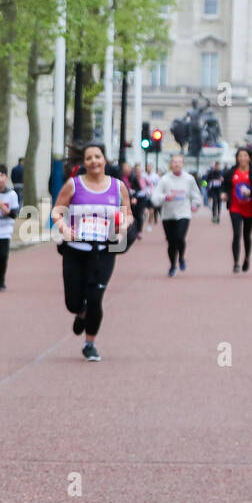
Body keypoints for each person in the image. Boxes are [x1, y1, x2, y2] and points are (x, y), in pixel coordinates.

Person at [50, 143, 132, 362]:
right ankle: (80, 312)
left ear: (105, 160)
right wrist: (65, 228)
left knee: (95, 298)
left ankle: (90, 344)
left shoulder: (117, 187)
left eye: (98, 156)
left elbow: (128, 214)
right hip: (76, 250)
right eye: (89, 158)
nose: (94, 161)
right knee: (73, 302)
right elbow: (57, 211)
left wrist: (122, 227)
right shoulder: (73, 185)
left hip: (103, 251)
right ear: (84, 163)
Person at [149, 154, 203, 277]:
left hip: (183, 213)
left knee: (180, 237)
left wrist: (195, 204)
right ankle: (173, 264)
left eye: (179, 162)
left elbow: (196, 195)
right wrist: (165, 197)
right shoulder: (165, 179)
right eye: (174, 162)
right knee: (171, 242)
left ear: (183, 164)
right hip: (168, 215)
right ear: (171, 164)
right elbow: (155, 197)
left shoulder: (189, 179)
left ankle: (182, 257)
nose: (177, 164)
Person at [223, 147, 252, 273]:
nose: (242, 159)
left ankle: (246, 258)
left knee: (246, 235)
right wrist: (223, 193)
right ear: (237, 158)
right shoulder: (231, 172)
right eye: (240, 156)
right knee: (236, 234)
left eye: (245, 156)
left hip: (250, 208)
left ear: (249, 158)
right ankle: (235, 263)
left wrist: (251, 193)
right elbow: (224, 186)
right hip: (235, 207)